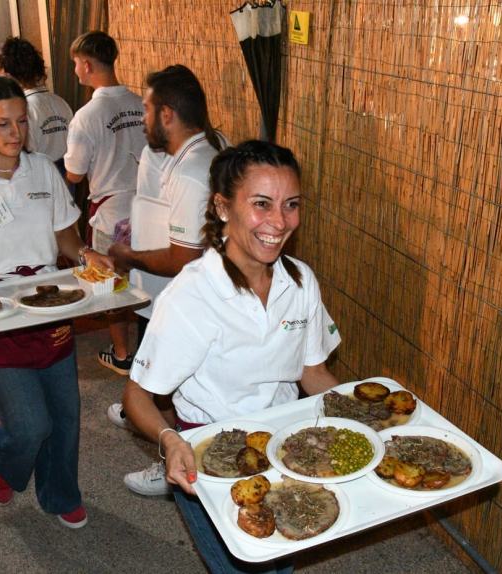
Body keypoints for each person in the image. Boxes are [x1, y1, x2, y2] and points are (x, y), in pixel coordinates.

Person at [123, 141, 342, 573]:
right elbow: (136, 397)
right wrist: (170, 442)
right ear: (223, 207)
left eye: (291, 205)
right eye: (262, 204)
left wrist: (362, 417)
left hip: (285, 447)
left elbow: (311, 371)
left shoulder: (300, 282)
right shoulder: (193, 294)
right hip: (208, 458)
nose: (279, 222)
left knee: (280, 559)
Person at [0, 75, 112, 529]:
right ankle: (2, 457)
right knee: (29, 424)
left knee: (65, 417)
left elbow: (64, 235)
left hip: (50, 301)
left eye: (21, 123)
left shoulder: (43, 171)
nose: (14, 134)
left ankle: (60, 493)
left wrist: (87, 254)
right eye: (2, 124)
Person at [106, 64, 227, 495]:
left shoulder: (193, 170)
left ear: (168, 114)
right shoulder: (213, 147)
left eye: (146, 108)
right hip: (207, 294)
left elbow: (183, 257)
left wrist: (127, 254)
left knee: (173, 389)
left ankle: (175, 466)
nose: (142, 118)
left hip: (196, 299)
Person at [65, 31, 146, 371]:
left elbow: (75, 174)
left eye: (74, 64)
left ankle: (123, 354)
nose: (74, 71)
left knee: (111, 285)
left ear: (85, 64)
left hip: (111, 211)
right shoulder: (141, 103)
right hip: (147, 207)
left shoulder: (87, 115)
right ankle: (148, 351)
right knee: (145, 282)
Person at [0, 37, 72, 174]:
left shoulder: (23, 109)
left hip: (39, 179)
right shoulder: (61, 102)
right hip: (66, 179)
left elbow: (24, 157)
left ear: (9, 75)